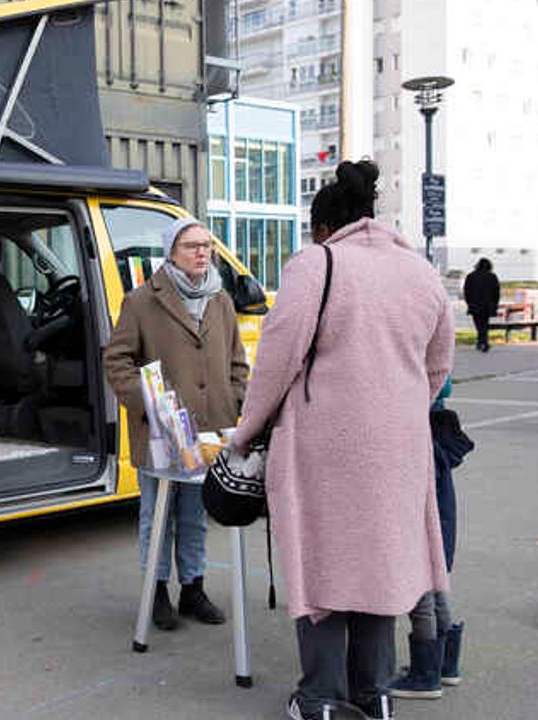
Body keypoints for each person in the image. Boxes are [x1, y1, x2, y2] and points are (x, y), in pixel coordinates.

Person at [231, 160, 453, 720]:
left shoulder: (316, 263)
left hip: (323, 447)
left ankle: (319, 699)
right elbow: (437, 367)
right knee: (382, 565)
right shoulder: (420, 271)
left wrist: (245, 432)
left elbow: (275, 365)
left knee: (322, 566)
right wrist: (397, 409)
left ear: (323, 227)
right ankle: (373, 694)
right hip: (401, 447)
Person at [103, 217, 249, 631]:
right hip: (163, 430)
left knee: (195, 513)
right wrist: (149, 405)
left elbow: (237, 359)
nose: (202, 252)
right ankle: (157, 590)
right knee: (157, 514)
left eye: (206, 245)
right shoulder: (141, 300)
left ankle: (193, 587)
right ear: (171, 252)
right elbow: (117, 360)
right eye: (191, 246)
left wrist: (236, 398)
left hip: (211, 427)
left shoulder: (220, 298)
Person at [389, 377, 472, 701]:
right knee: (433, 580)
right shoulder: (438, 428)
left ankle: (426, 675)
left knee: (419, 583)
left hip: (421, 501)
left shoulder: (414, 430)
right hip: (438, 509)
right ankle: (445, 665)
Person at [463, 258, 501, 352]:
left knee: (479, 324)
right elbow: (496, 293)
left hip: (475, 305)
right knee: (484, 324)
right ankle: (483, 342)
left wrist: (469, 303)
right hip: (488, 306)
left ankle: (482, 342)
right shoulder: (492, 276)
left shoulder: (471, 276)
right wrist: (495, 305)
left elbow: (466, 291)